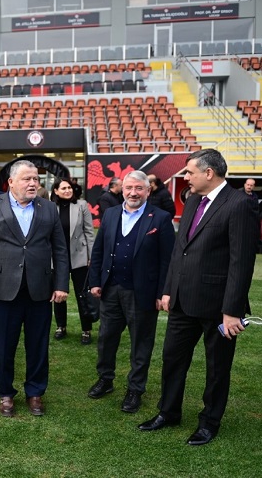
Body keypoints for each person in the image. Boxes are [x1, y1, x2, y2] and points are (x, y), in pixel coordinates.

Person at [138, 149, 258, 446]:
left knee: (217, 368)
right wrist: (169, 289)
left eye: (190, 172)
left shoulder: (239, 204)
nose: (186, 178)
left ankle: (209, 422)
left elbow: (241, 262)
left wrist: (232, 310)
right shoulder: (193, 200)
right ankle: (168, 412)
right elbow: (180, 249)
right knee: (172, 359)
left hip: (218, 306)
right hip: (182, 300)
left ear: (209, 173)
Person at [0, 160, 69, 417]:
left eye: (36, 178)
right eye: (27, 179)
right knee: (3, 345)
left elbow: (60, 249)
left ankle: (35, 392)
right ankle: (5, 393)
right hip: (3, 289)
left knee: (38, 345)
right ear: (11, 182)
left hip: (40, 289)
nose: (33, 183)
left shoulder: (49, 208)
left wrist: (61, 284)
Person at [87, 171, 175, 414]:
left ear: (148, 190)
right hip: (111, 289)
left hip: (142, 292)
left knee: (141, 342)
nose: (133, 193)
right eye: (129, 188)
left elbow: (168, 260)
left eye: (138, 188)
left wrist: (162, 292)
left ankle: (135, 389)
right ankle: (105, 379)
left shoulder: (161, 218)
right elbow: (99, 250)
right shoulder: (111, 214)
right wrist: (95, 281)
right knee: (106, 338)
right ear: (122, 189)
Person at [49, 178, 96, 344]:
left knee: (82, 295)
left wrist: (91, 256)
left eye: (69, 187)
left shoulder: (82, 205)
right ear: (56, 191)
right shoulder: (50, 207)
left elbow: (89, 232)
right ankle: (60, 326)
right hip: (57, 258)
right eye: (63, 188)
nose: (68, 190)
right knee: (58, 294)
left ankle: (86, 330)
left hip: (79, 256)